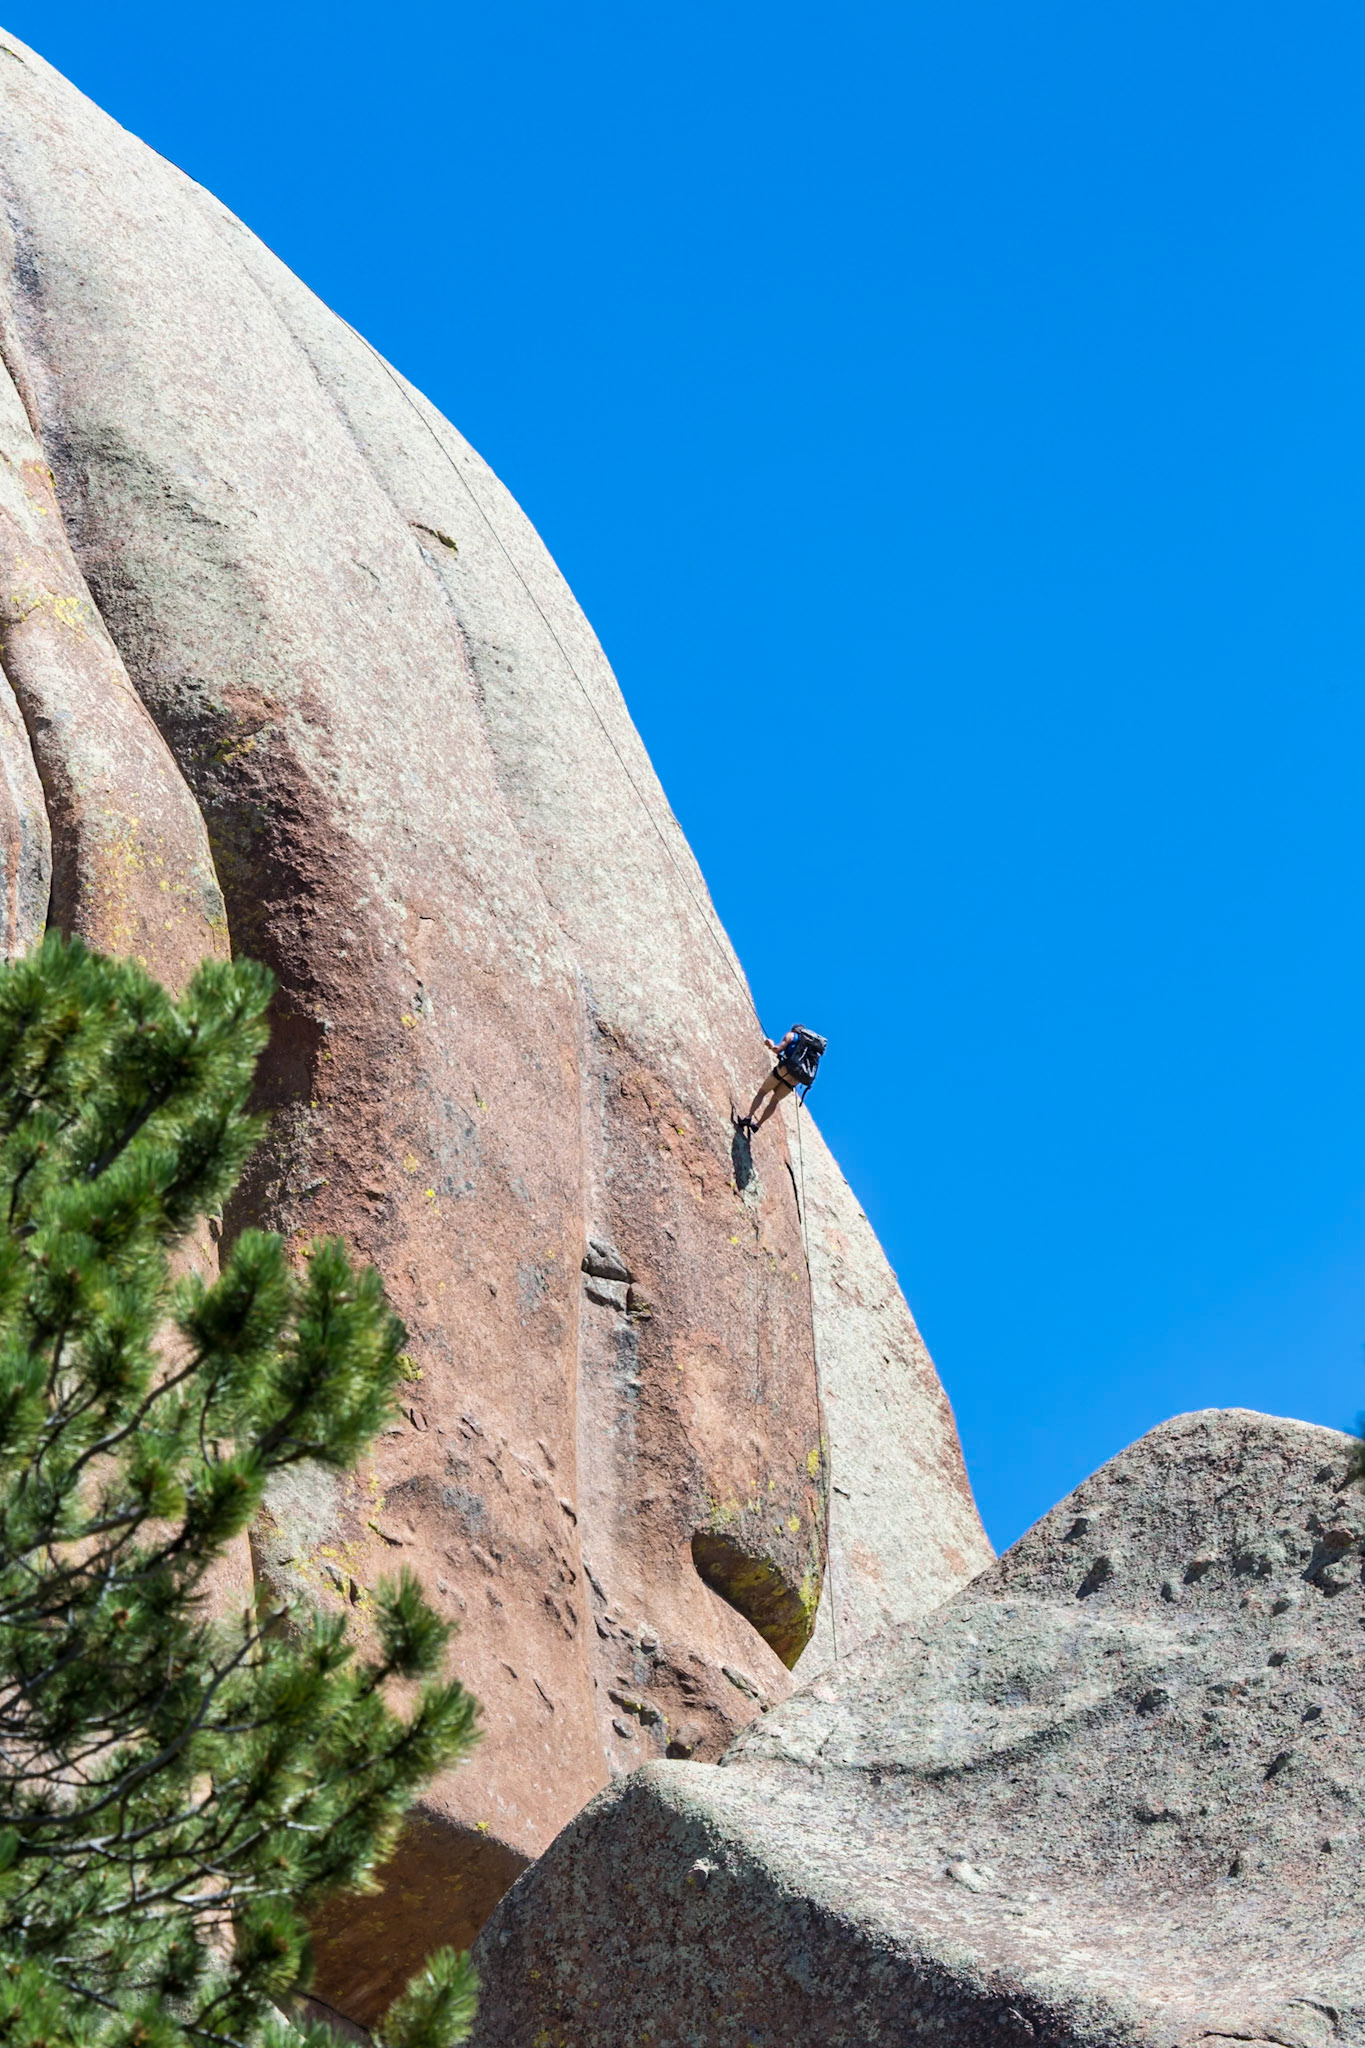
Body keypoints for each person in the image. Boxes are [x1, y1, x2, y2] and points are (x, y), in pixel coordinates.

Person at [736, 1024, 826, 1138]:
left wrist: (770, 1044)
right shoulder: (811, 1049)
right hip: (795, 1080)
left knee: (763, 1092)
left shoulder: (791, 1035)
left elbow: (778, 1050)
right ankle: (757, 1125)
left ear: (794, 1030)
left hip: (784, 1070)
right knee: (774, 1101)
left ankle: (748, 1117)